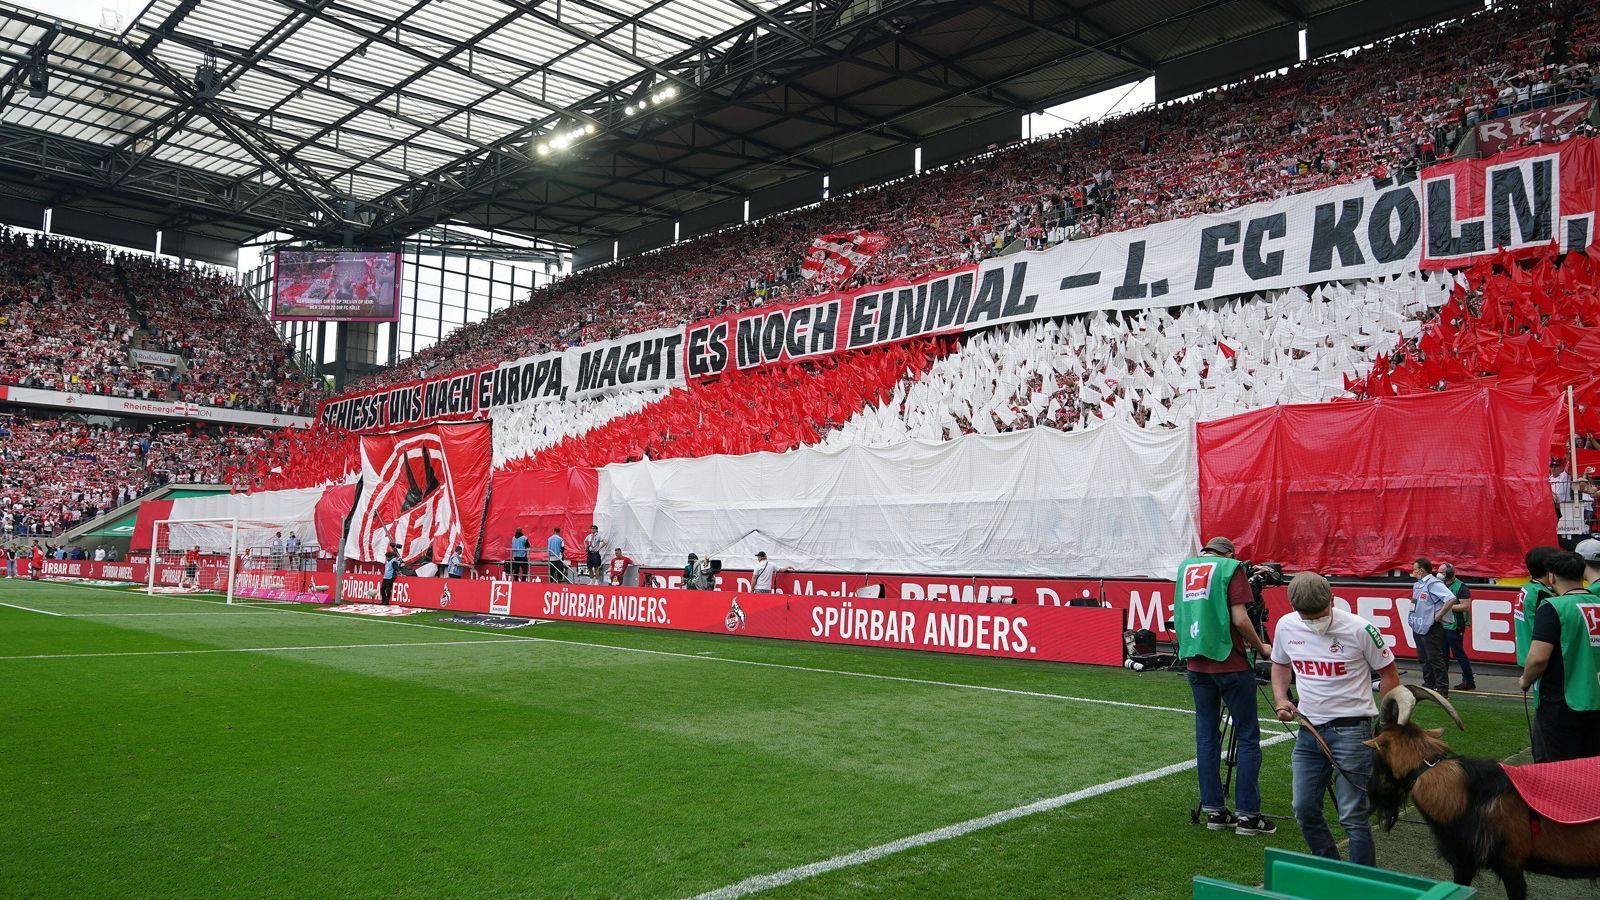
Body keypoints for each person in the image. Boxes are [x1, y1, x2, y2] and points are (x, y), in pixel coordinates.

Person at [1271, 572, 1401, 867]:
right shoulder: (1286, 626)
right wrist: (1282, 699)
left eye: (1320, 615)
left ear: (1332, 600)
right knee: (1303, 809)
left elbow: (1389, 674)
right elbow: (1280, 665)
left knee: (1353, 816)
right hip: (1309, 731)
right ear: (1293, 608)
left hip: (1352, 732)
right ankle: (1331, 870)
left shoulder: (1361, 629)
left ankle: (1360, 885)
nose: (1316, 622)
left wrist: (1388, 725)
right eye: (1308, 617)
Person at [1174, 536, 1276, 836]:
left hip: (1195, 659)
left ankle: (1214, 812)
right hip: (1229, 661)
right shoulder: (1230, 568)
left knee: (1206, 735)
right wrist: (1261, 646)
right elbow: (1241, 619)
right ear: (1231, 553)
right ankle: (1248, 815)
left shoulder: (1186, 568)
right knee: (1246, 735)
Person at [1518, 551, 1600, 761]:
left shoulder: (1554, 607)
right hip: (1595, 701)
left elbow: (1538, 657)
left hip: (1563, 702)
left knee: (1559, 770)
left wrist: (1526, 679)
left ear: (1552, 577)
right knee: (1592, 768)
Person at [1407, 558, 1456, 697]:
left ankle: (1442, 690)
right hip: (1418, 624)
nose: (1413, 571)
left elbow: (1450, 598)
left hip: (1431, 627)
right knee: (1423, 657)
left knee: (1435, 658)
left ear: (1421, 570)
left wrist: (1438, 616)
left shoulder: (1433, 583)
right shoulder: (1417, 585)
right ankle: (1428, 685)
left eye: (1415, 569)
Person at [1438, 563, 1475, 691]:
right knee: (1442, 655)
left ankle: (1469, 680)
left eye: (1441, 572)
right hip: (1443, 624)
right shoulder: (1440, 585)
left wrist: (1447, 608)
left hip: (1455, 626)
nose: (1438, 574)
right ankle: (1442, 681)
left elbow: (1465, 606)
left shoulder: (1461, 587)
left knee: (1459, 653)